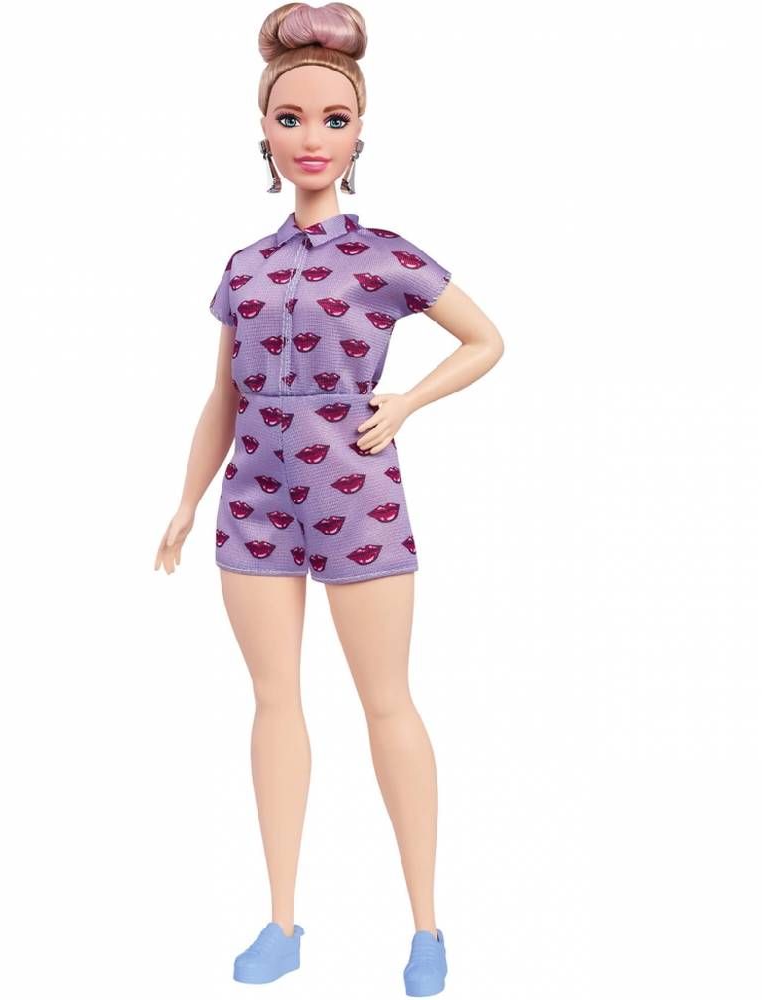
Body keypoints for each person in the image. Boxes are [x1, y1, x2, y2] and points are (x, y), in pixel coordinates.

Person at [155, 3, 503, 994]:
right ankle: (281, 919)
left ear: (360, 132)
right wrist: (186, 500)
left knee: (385, 700)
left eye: (334, 119)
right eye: (292, 117)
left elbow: (485, 340)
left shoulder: (388, 254)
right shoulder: (245, 267)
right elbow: (222, 396)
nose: (312, 137)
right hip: (254, 496)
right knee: (274, 700)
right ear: (264, 129)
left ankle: (426, 926)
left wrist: (408, 401)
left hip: (356, 489)